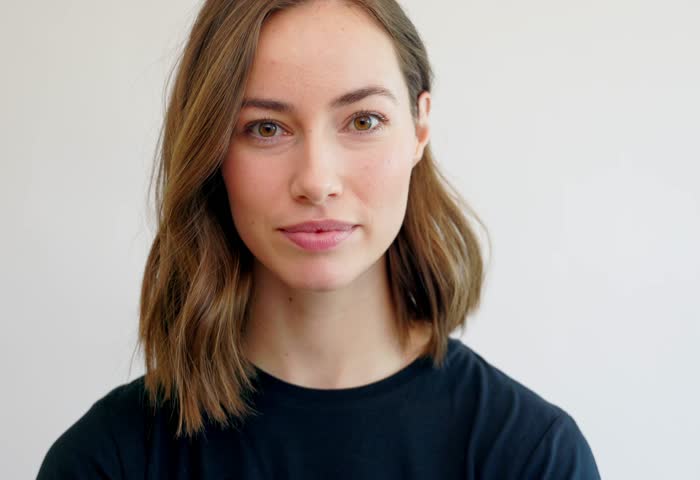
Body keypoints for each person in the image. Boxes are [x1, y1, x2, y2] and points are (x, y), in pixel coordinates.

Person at [37, 0, 601, 478]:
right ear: (213, 151)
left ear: (419, 128)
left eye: (362, 121)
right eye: (266, 128)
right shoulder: (105, 461)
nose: (316, 181)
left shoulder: (531, 456)